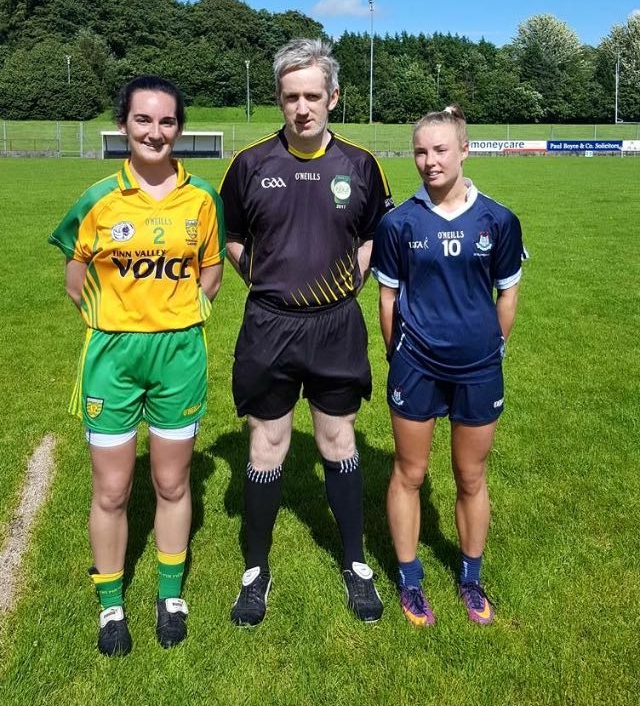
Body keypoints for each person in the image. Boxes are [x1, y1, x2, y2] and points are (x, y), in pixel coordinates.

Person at [48, 76, 226, 656]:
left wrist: (183, 311)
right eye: (143, 120)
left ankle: (170, 596)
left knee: (172, 481)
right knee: (113, 488)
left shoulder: (202, 197)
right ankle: (111, 606)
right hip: (113, 358)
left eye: (167, 121)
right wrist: (109, 317)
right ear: (124, 124)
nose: (156, 131)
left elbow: (212, 269)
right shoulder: (98, 198)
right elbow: (75, 273)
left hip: (178, 355)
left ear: (180, 128)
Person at [219, 38, 394, 627]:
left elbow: (375, 234)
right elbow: (234, 237)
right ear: (279, 98)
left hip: (336, 323)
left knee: (337, 441)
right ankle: (256, 571)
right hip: (270, 325)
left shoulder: (361, 165)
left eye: (313, 95)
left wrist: (350, 279)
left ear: (334, 97)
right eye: (291, 96)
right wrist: (264, 281)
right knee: (267, 443)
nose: (302, 107)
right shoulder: (249, 165)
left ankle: (354, 563)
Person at [371, 105, 526, 627]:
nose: (429, 161)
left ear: (464, 150)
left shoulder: (499, 220)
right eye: (420, 151)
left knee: (470, 475)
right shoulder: (398, 222)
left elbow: (507, 295)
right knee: (410, 472)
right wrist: (399, 355)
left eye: (440, 150)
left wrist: (490, 348)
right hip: (415, 368)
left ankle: (470, 577)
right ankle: (411, 581)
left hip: (479, 370)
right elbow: (388, 302)